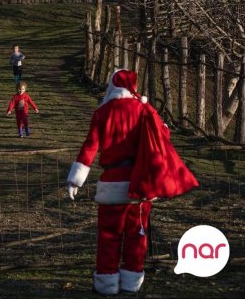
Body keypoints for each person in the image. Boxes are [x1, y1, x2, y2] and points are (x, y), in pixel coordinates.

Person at [66, 69, 198, 295]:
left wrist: (75, 180)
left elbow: (90, 147)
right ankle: (132, 280)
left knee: (109, 235)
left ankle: (107, 282)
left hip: (111, 182)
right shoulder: (144, 110)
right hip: (140, 183)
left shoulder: (102, 113)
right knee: (137, 234)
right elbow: (163, 134)